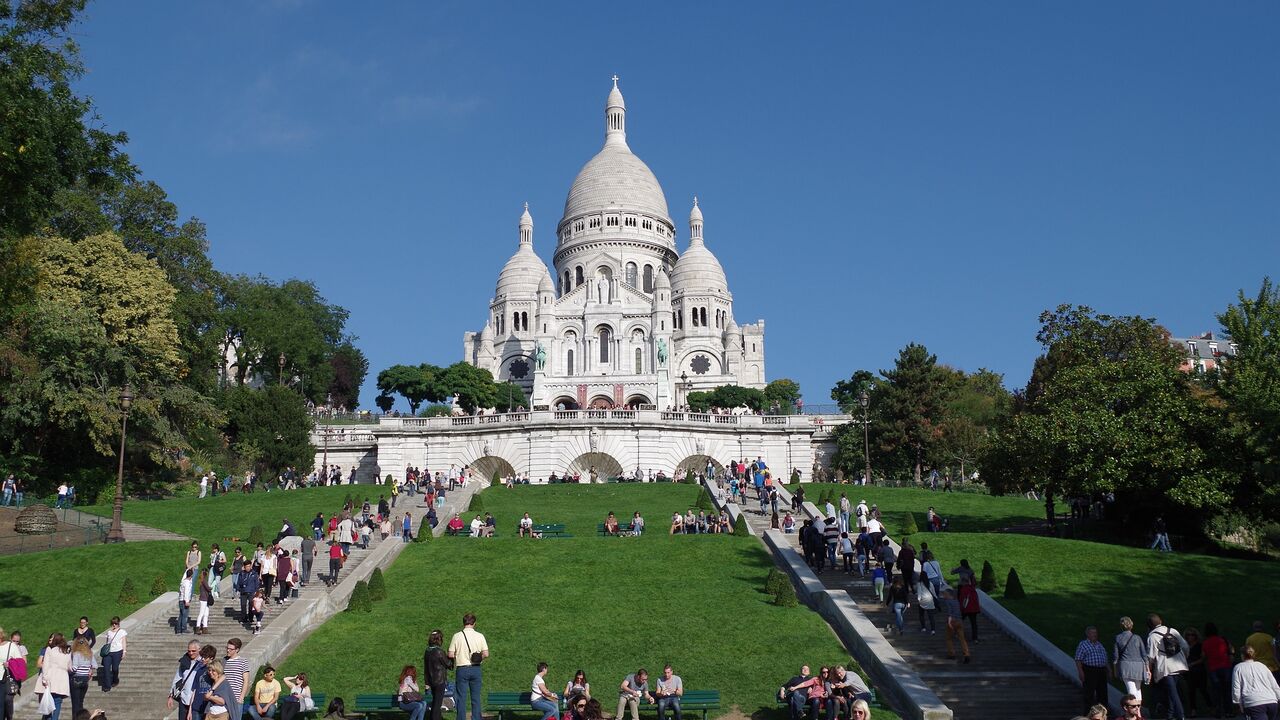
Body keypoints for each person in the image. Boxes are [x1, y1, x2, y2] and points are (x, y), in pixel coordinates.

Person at [1147, 613, 1190, 720]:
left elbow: (1151, 656)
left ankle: (1181, 716)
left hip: (1165, 668)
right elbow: (1185, 646)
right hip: (1179, 665)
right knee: (1172, 691)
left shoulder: (1152, 636)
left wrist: (1149, 670)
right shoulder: (1173, 630)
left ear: (1148, 626)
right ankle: (1170, 715)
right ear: (1160, 621)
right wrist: (1184, 659)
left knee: (1173, 694)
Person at [448, 613, 488, 720]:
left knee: (461, 697)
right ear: (474, 623)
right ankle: (476, 718)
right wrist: (478, 659)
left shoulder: (457, 636)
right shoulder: (480, 636)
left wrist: (459, 655)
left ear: (463, 623)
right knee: (476, 697)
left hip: (462, 668)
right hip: (476, 669)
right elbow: (486, 654)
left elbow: (450, 654)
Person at [1233, 645, 1280, 720]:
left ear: (1242, 655)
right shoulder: (1262, 666)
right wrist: (1278, 696)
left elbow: (1236, 688)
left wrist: (1238, 702)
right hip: (1271, 701)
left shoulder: (1238, 668)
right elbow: (1274, 684)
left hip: (1253, 703)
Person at [1114, 617, 1150, 705]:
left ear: (1121, 626)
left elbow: (1115, 657)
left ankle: (1135, 713)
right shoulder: (1137, 638)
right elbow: (1144, 655)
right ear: (1131, 626)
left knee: (1131, 690)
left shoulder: (1118, 638)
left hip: (1125, 666)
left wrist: (1115, 670)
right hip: (1139, 667)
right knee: (1138, 690)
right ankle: (1138, 712)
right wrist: (1148, 669)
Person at [1202, 622, 1235, 719]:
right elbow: (1231, 649)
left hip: (1213, 668)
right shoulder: (1222, 640)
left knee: (1216, 691)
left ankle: (1218, 711)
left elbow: (1204, 656)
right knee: (1227, 690)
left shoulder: (1206, 642)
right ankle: (1229, 711)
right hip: (1225, 666)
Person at [1075, 626, 1110, 713]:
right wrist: (1081, 672)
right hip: (1090, 670)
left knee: (1103, 694)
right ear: (1087, 634)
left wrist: (1109, 670)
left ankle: (1103, 713)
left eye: (1095, 633)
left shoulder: (1100, 645)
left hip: (1101, 671)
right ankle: (1088, 714)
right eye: (1092, 633)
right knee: (1089, 693)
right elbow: (1078, 659)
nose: (1095, 635)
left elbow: (1105, 658)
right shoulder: (1083, 644)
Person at [166, 641, 203, 720]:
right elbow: (177, 678)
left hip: (197, 701)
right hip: (184, 699)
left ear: (199, 650)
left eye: (193, 651)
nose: (191, 653)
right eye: (189, 651)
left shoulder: (203, 662)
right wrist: (171, 696)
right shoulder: (184, 661)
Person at [38, 633, 70, 719]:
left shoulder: (50, 650)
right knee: (57, 701)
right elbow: (70, 666)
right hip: (63, 678)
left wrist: (44, 679)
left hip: (52, 677)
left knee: (49, 701)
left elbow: (45, 666)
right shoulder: (67, 652)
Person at [1184, 627, 1212, 718]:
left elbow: (1203, 658)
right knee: (1191, 691)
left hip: (1199, 670)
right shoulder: (1185, 646)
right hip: (1189, 671)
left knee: (1203, 689)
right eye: (1188, 635)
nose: (1190, 637)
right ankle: (1193, 710)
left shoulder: (1200, 645)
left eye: (1192, 635)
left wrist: (1193, 663)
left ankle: (1210, 706)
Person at [424, 630, 450, 720]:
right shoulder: (439, 651)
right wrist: (451, 657)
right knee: (437, 704)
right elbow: (448, 664)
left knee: (435, 701)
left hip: (431, 680)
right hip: (439, 681)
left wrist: (426, 682)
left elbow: (426, 668)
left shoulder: (427, 651)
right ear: (439, 639)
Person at [66, 637, 95, 718]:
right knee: (80, 703)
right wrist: (89, 670)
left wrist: (68, 668)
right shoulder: (89, 653)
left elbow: (74, 668)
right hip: (85, 680)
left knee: (75, 704)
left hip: (76, 679)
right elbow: (94, 665)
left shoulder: (76, 653)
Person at [224, 638, 252, 720]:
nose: (228, 650)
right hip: (224, 698)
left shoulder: (243, 661)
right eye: (227, 648)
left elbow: (246, 681)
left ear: (237, 650)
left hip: (237, 698)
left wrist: (241, 697)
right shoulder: (224, 661)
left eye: (230, 649)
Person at [941, 588, 970, 663]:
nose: (943, 596)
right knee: (962, 639)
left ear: (948, 595)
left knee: (949, 638)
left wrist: (949, 621)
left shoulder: (947, 602)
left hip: (952, 621)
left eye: (944, 594)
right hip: (959, 621)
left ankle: (952, 654)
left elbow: (949, 611)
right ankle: (966, 654)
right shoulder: (956, 601)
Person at [100, 617, 126, 691]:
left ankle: (115, 680)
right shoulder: (109, 632)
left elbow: (124, 642)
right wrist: (105, 651)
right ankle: (107, 686)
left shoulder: (122, 631)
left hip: (118, 652)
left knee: (115, 668)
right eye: (113, 623)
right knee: (106, 668)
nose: (114, 625)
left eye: (116, 623)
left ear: (118, 623)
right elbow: (107, 643)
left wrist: (124, 652)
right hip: (108, 653)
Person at [957, 578, 980, 642]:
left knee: (959, 620)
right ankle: (975, 638)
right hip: (974, 609)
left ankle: (957, 633)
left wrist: (961, 609)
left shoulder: (963, 589)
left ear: (963, 583)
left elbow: (962, 600)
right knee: (974, 624)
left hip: (966, 609)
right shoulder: (973, 589)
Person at [195, 569, 213, 635]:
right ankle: (198, 627)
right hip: (204, 599)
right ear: (206, 574)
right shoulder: (204, 580)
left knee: (206, 614)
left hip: (205, 599)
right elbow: (208, 588)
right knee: (202, 614)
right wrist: (211, 587)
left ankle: (205, 628)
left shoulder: (201, 580)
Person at [177, 569, 194, 634]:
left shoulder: (183, 581)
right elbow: (186, 592)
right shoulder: (187, 583)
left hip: (181, 600)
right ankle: (184, 629)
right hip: (184, 601)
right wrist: (187, 601)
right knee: (184, 615)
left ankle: (178, 629)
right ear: (191, 575)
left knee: (181, 615)